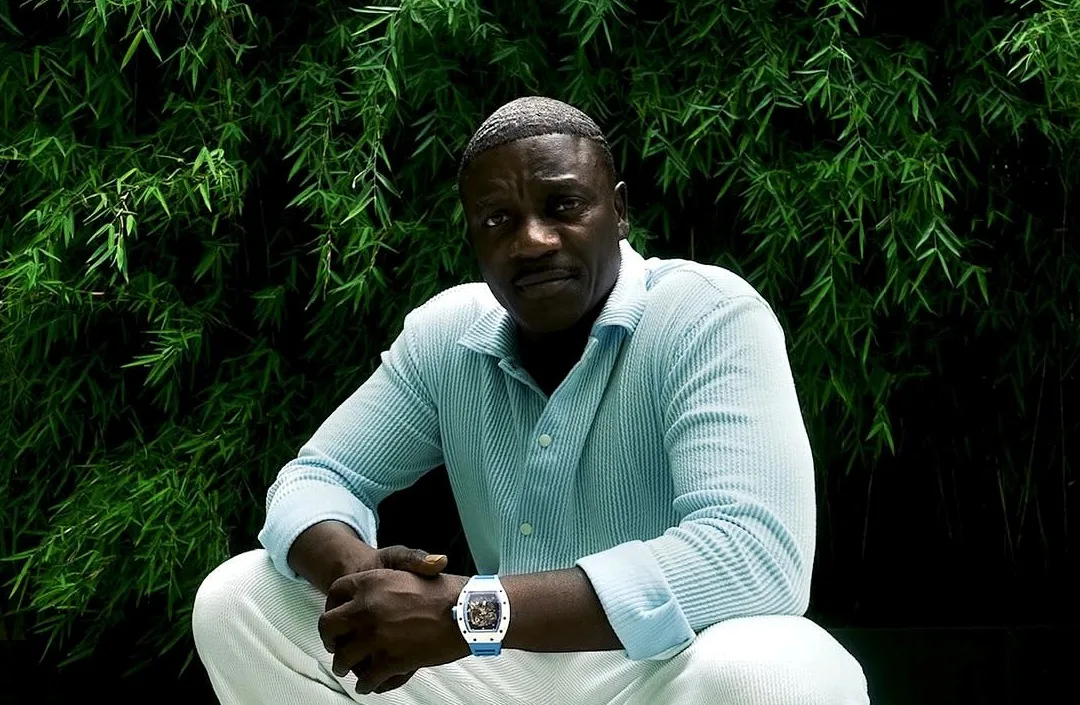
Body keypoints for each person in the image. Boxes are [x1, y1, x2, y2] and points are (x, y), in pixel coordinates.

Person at [192, 96, 869, 705]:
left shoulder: (706, 314)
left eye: (563, 206)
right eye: (498, 219)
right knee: (241, 598)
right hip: (498, 673)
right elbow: (315, 479)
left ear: (620, 211)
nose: (533, 241)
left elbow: (753, 557)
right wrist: (362, 581)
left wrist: (468, 613)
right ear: (474, 238)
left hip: (663, 671)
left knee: (784, 667)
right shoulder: (446, 336)